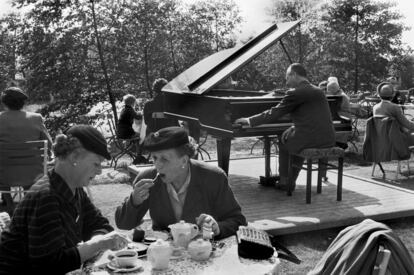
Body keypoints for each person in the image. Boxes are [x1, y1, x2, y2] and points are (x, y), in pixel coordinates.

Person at [0, 125, 129, 274]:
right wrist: (98, 244)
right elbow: (49, 266)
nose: (100, 170)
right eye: (96, 163)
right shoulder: (46, 198)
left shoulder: (74, 189)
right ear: (74, 157)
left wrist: (96, 241)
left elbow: (100, 224)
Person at [115, 126, 247, 239]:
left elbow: (238, 221)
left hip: (203, 253)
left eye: (164, 159)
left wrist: (217, 227)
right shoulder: (147, 178)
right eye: (154, 157)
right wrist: (134, 201)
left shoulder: (213, 177)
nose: (157, 165)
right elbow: (123, 224)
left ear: (184, 160)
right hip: (163, 255)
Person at [234, 63, 336, 190]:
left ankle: (285, 181)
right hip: (328, 138)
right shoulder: (318, 91)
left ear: (294, 74)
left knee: (283, 141)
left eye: (287, 77)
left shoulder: (296, 92)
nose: (286, 81)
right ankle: (290, 180)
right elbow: (313, 116)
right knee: (294, 141)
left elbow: (274, 112)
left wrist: (249, 120)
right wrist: (294, 126)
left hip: (311, 138)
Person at [0, 87, 53, 207]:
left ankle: (9, 204)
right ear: (24, 102)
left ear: (4, 102)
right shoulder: (35, 118)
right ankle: (27, 202)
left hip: (4, 175)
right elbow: (48, 143)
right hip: (33, 174)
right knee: (27, 168)